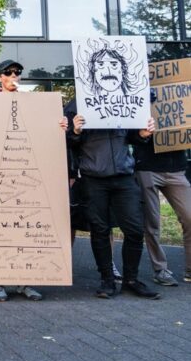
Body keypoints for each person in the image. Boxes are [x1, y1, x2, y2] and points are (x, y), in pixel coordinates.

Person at [0, 59, 67, 302]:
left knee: (27, 224)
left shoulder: (32, 103)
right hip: (0, 172)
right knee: (1, 224)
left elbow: (45, 131)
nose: (14, 76)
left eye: (17, 73)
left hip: (27, 172)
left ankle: (26, 281)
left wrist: (60, 126)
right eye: (9, 72)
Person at [66, 99, 160, 299]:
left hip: (124, 176)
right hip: (93, 177)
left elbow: (133, 135)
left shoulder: (123, 97)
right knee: (100, 229)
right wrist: (75, 132)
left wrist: (142, 134)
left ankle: (131, 280)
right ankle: (107, 279)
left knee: (134, 229)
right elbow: (66, 141)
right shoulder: (77, 103)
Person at [133, 138, 191, 286]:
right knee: (152, 221)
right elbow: (128, 133)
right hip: (147, 167)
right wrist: (141, 134)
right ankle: (160, 269)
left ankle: (189, 269)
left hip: (176, 168)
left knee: (189, 217)